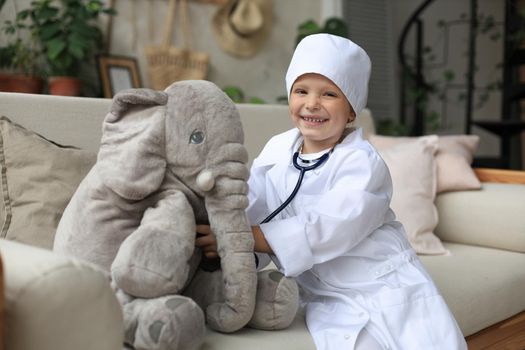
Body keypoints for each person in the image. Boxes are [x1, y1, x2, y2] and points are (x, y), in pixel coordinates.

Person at [196, 33, 467, 350]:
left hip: (381, 280)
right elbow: (255, 204)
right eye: (301, 91)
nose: (312, 103)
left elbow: (332, 227)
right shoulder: (278, 150)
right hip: (322, 291)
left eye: (328, 94)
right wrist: (225, 241)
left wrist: (239, 236)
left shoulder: (362, 162)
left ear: (352, 110)